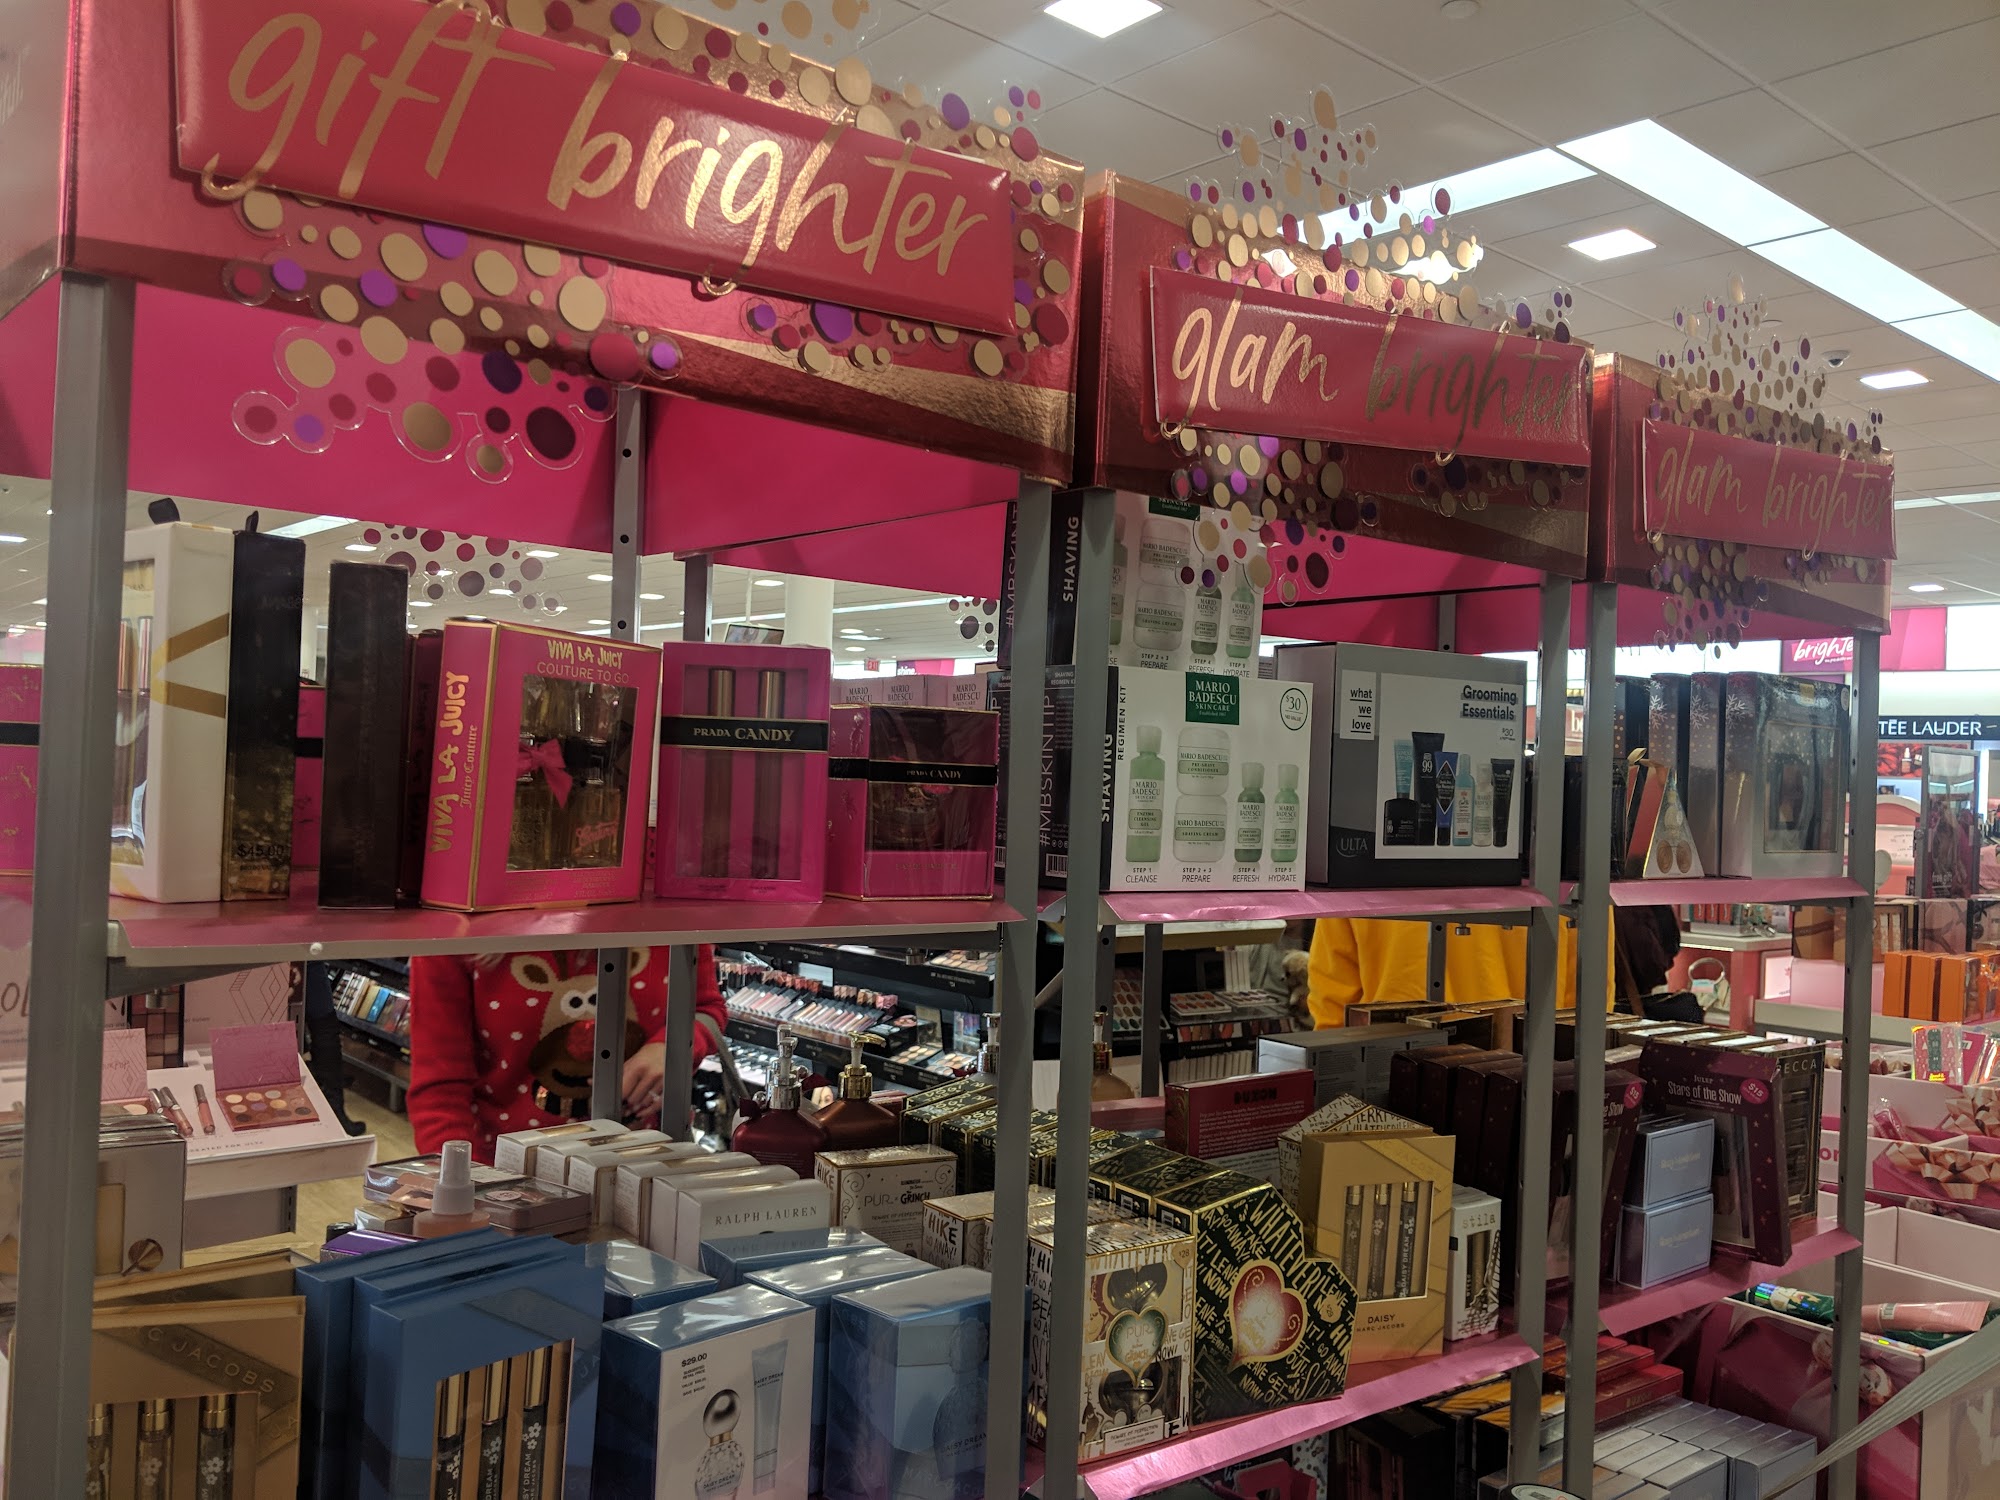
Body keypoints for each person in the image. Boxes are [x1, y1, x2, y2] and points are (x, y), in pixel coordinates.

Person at [407, 943, 728, 1161]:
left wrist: (669, 1049)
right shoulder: (458, 931)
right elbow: (441, 1089)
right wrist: (467, 1188)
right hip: (507, 1175)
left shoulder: (668, 909)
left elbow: (705, 1008)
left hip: (646, 1162)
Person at [1305, 913, 1611, 1027]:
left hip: (1391, 1077)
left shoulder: (1359, 859)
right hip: (1527, 1083)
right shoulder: (1562, 850)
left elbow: (1333, 1008)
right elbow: (1591, 1006)